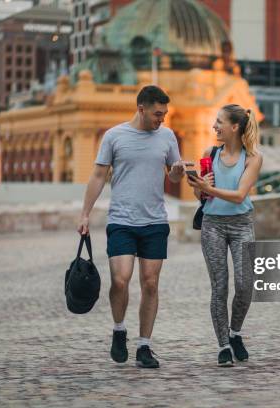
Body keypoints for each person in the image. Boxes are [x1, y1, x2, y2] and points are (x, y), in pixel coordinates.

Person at [77, 85, 191, 369]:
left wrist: (177, 172)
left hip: (154, 221)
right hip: (122, 221)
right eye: (157, 114)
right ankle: (119, 330)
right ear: (141, 108)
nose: (161, 119)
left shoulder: (166, 136)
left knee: (150, 283)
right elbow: (98, 176)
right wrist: (85, 214)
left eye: (164, 114)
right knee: (120, 279)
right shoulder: (115, 136)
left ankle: (144, 346)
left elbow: (174, 176)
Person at [187, 104, 263, 367]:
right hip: (213, 225)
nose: (214, 126)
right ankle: (223, 345)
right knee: (219, 287)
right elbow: (202, 196)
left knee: (245, 285)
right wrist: (200, 187)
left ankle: (235, 332)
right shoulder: (210, 153)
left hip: (242, 223)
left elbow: (240, 195)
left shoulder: (253, 157)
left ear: (235, 127)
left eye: (219, 122)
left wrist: (209, 188)